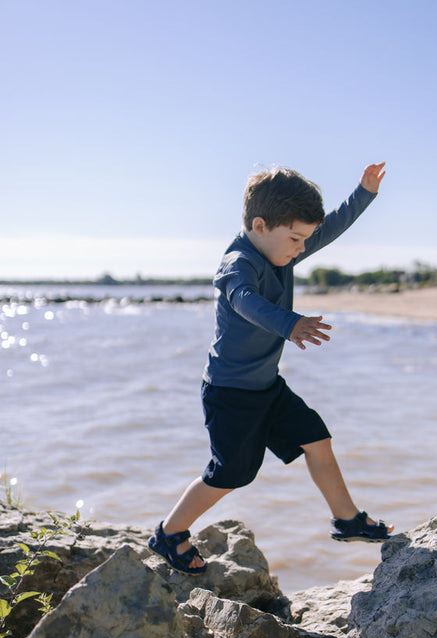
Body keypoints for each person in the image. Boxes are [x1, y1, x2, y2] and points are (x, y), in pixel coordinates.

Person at [149, 162, 393, 573]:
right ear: (260, 226)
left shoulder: (279, 250)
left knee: (316, 438)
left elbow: (331, 226)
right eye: (296, 239)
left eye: (304, 240)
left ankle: (347, 519)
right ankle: (169, 533)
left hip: (267, 386)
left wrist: (364, 193)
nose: (301, 248)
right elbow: (245, 301)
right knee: (231, 474)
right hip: (230, 393)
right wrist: (289, 324)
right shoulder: (238, 264)